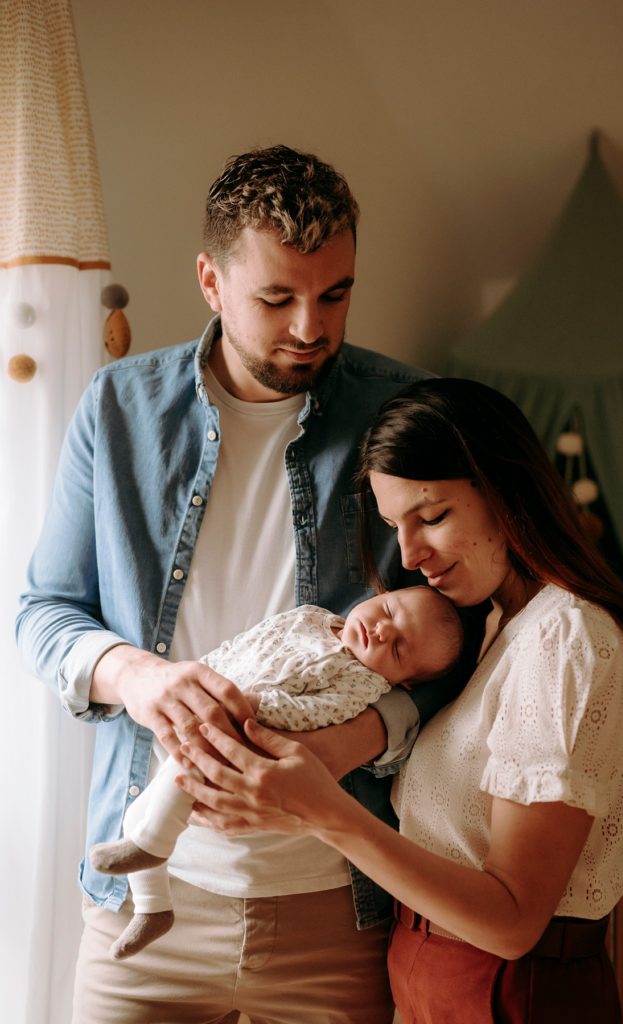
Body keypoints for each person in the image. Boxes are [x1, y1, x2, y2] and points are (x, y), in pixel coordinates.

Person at [16, 147, 473, 1024]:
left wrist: (361, 738)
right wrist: (137, 677)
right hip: (145, 909)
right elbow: (44, 612)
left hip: (341, 907)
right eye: (276, 298)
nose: (310, 326)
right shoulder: (117, 410)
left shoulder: (408, 411)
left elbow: (462, 640)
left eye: (335, 294)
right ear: (210, 281)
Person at [174, 377, 623, 1024]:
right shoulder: (494, 625)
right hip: (430, 971)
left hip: (505, 987)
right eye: (394, 527)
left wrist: (322, 809)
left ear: (505, 490)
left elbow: (513, 922)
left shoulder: (567, 637)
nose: (410, 556)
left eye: (433, 517)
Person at [90, 586, 464, 960]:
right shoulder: (312, 617)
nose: (382, 631)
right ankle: (153, 908)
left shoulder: (363, 682)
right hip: (218, 697)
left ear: (403, 682)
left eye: (397, 649)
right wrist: (208, 670)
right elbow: (254, 640)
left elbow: (313, 713)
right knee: (138, 815)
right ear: (379, 594)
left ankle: (152, 848)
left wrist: (252, 705)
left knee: (184, 772)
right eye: (388, 610)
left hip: (250, 728)